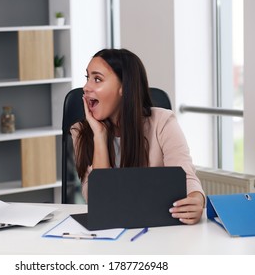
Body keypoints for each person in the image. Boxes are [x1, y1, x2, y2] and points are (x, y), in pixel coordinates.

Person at [71, 48, 205, 225]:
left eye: (97, 79)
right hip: (109, 234)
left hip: (156, 231)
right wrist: (100, 136)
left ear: (124, 87)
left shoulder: (163, 122)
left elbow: (185, 176)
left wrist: (196, 200)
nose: (86, 87)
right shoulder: (82, 131)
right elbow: (99, 202)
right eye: (87, 78)